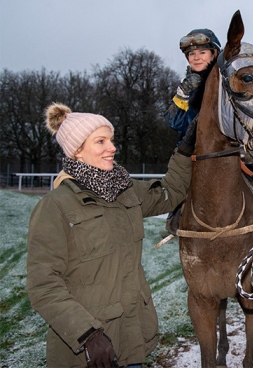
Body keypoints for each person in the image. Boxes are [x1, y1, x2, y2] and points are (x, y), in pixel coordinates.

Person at [26, 102, 195, 367]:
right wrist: (88, 334)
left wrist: (185, 150)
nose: (112, 147)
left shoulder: (126, 191)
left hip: (132, 339)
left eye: (112, 140)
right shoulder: (55, 206)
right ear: (77, 151)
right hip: (87, 351)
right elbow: (43, 286)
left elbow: (171, 193)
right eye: (100, 141)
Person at [162, 28, 253, 236]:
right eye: (191, 54)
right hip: (194, 148)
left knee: (252, 163)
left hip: (226, 145)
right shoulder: (187, 85)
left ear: (214, 54)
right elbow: (174, 122)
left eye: (202, 53)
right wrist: (183, 93)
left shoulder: (226, 79)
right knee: (181, 176)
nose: (196, 57)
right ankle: (177, 210)